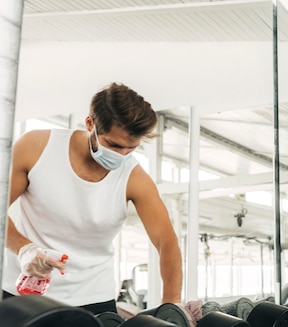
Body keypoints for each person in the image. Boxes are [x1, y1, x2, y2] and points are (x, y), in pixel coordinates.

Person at [2, 82, 183, 314]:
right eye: (113, 145)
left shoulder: (135, 179)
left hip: (93, 299)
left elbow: (166, 241)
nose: (121, 155)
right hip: (21, 290)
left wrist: (171, 306)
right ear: (90, 123)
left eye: (131, 148)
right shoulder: (35, 148)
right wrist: (24, 249)